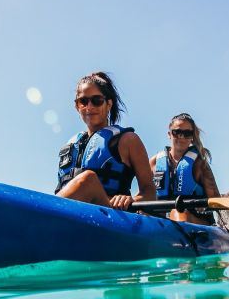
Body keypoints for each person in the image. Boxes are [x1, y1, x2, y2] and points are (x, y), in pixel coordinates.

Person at [56, 72, 157, 210]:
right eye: (83, 101)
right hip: (73, 216)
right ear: (76, 106)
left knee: (88, 180)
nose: (89, 107)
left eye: (96, 101)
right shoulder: (70, 146)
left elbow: (150, 193)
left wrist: (131, 199)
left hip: (110, 217)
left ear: (109, 104)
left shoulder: (128, 140)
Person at [148, 113, 220, 224]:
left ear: (192, 137)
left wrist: (202, 205)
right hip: (162, 222)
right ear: (169, 134)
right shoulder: (155, 162)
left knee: (178, 213)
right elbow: (144, 193)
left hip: (195, 221)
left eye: (187, 133)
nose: (181, 137)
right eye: (177, 132)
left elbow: (216, 200)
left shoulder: (200, 163)